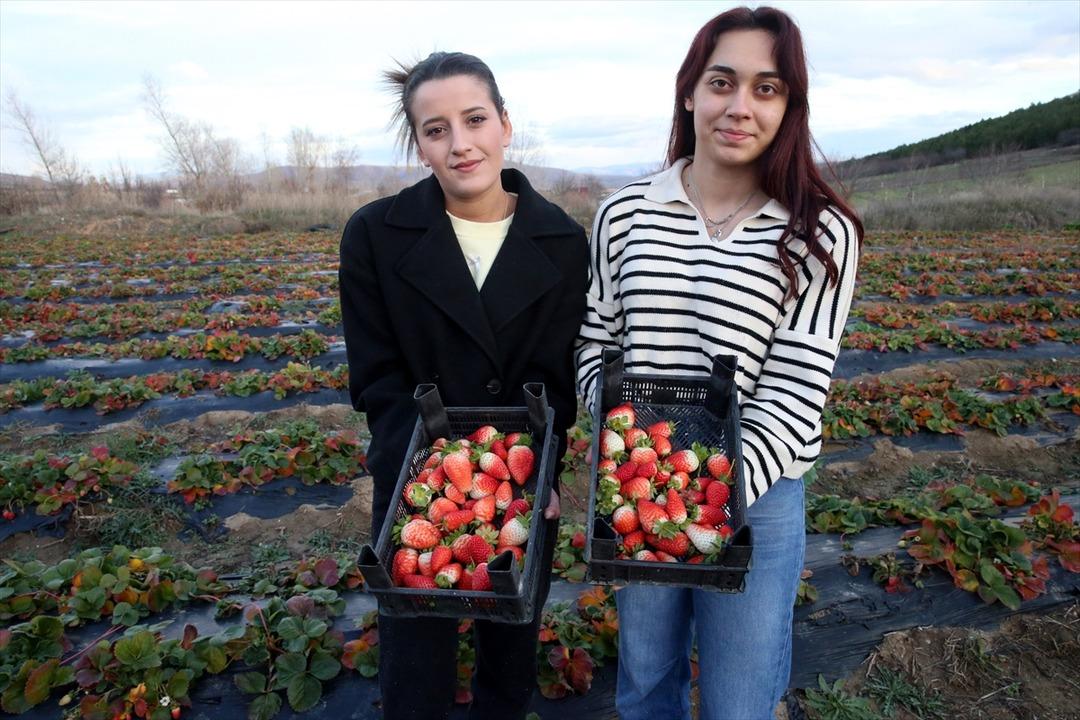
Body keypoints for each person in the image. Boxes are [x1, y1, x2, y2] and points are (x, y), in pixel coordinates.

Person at [575, 7, 863, 720]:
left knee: (739, 701)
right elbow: (594, 341)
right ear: (689, 93)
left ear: (789, 107)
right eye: (722, 82)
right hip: (637, 487)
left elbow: (796, 390)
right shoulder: (623, 214)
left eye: (767, 89)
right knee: (646, 685)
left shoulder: (819, 232)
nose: (740, 106)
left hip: (757, 500)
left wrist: (711, 500)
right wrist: (627, 458)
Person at [338, 51, 587, 720]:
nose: (460, 143)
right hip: (415, 473)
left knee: (509, 652)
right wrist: (424, 470)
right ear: (419, 145)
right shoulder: (374, 236)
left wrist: (542, 471)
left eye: (475, 119)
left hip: (518, 477)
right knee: (414, 660)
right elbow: (378, 379)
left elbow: (557, 383)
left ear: (505, 123)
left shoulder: (563, 242)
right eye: (436, 129)